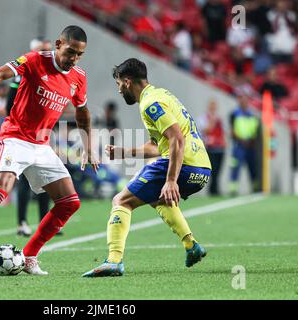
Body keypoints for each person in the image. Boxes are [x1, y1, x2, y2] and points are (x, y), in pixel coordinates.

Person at [0, 25, 99, 275]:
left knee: (70, 203)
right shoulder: (35, 60)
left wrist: (88, 146)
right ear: (58, 44)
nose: (74, 58)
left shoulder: (78, 76)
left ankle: (30, 255)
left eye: (79, 54)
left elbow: (83, 113)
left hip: (41, 145)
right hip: (15, 138)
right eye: (70, 52)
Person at [83, 58, 212, 277]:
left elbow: (176, 140)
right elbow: (159, 147)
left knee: (121, 201)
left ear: (126, 82)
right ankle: (191, 246)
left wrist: (171, 180)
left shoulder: (150, 104)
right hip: (202, 169)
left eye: (118, 85)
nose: (119, 91)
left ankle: (114, 261)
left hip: (185, 164)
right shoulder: (163, 95)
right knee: (155, 197)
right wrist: (124, 152)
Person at [3, 38, 53, 237]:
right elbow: (9, 107)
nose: (47, 54)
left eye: (49, 51)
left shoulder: (51, 76)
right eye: (43, 50)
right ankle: (22, 222)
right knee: (23, 180)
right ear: (33, 52)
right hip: (21, 136)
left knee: (45, 179)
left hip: (41, 137)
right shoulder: (22, 75)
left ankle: (44, 222)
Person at [229, 95, 260, 195]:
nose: (244, 103)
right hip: (238, 145)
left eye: (246, 101)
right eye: (242, 101)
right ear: (239, 102)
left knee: (252, 167)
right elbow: (232, 131)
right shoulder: (234, 114)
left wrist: (252, 141)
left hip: (250, 146)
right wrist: (241, 140)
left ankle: (255, 187)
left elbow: (256, 131)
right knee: (235, 167)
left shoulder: (252, 115)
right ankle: (233, 188)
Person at [199, 99, 225, 195]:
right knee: (212, 170)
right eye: (211, 105)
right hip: (210, 147)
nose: (213, 107)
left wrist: (224, 142)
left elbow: (222, 132)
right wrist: (212, 121)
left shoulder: (219, 118)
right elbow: (205, 130)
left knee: (218, 170)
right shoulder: (203, 118)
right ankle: (212, 190)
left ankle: (216, 189)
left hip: (219, 147)